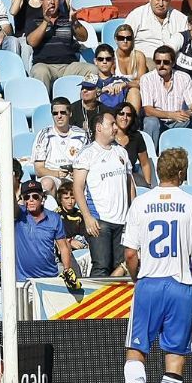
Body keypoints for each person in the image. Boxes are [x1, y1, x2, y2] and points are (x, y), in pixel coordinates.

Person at [123, 147, 192, 383]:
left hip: (148, 282)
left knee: (137, 350)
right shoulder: (190, 203)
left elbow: (130, 254)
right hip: (180, 284)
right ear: (183, 173)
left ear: (159, 171)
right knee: (175, 357)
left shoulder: (141, 203)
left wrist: (139, 279)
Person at [73, 112, 134, 277]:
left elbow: (130, 185)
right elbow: (77, 187)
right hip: (100, 221)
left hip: (123, 221)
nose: (116, 127)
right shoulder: (87, 153)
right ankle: (95, 302)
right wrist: (87, 217)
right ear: (99, 127)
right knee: (101, 266)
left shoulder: (121, 152)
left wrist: (132, 214)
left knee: (122, 268)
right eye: (112, 124)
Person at [25, 0, 94, 94]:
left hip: (69, 66)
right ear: (41, 1)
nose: (52, 1)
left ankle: (87, 103)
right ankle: (44, 106)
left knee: (92, 70)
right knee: (40, 72)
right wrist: (45, 22)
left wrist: (75, 22)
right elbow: (32, 42)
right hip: (45, 65)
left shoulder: (66, 18)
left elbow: (84, 37)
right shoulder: (34, 19)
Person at [140, 45, 192, 152]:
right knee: (150, 122)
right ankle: (150, 157)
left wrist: (188, 113)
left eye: (166, 62)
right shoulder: (147, 79)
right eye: (158, 62)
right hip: (159, 122)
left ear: (173, 63)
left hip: (180, 121)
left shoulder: (183, 77)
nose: (162, 65)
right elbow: (148, 110)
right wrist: (171, 115)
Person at [13, 179, 75, 283]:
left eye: (35, 196)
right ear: (23, 200)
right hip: (23, 281)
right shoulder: (18, 214)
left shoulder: (54, 218)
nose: (31, 200)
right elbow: (11, 202)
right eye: (27, 197)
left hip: (49, 278)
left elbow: (63, 247)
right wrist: (12, 182)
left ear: (42, 198)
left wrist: (67, 270)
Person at [31, 96, 87, 197]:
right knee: (46, 183)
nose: (59, 116)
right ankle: (52, 212)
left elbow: (89, 162)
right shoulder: (44, 135)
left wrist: (77, 174)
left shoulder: (81, 135)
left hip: (75, 177)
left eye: (63, 112)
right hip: (53, 177)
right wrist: (57, 173)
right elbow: (38, 170)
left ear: (70, 114)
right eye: (55, 113)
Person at [124, 0, 188, 66]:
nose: (161, 4)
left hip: (173, 62)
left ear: (170, 0)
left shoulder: (180, 18)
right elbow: (124, 39)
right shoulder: (137, 15)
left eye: (165, 0)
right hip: (145, 62)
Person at [93, 43, 141, 112]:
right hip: (98, 116)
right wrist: (101, 91)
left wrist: (125, 84)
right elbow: (84, 97)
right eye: (100, 59)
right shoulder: (91, 79)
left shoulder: (120, 80)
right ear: (95, 61)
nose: (104, 62)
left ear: (113, 61)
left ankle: (134, 120)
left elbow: (140, 84)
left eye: (108, 59)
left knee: (134, 90)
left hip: (119, 116)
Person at [114, 102, 152, 189]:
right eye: (121, 113)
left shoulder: (137, 137)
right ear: (115, 116)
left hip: (131, 176)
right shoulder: (108, 137)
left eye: (129, 115)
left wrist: (148, 185)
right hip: (111, 178)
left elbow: (145, 163)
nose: (125, 117)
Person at [113, 24, 147, 90]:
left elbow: (141, 82)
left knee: (134, 91)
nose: (125, 41)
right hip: (117, 91)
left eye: (128, 38)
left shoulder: (139, 56)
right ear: (116, 39)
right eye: (121, 38)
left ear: (132, 40)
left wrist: (127, 84)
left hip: (135, 89)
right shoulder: (112, 57)